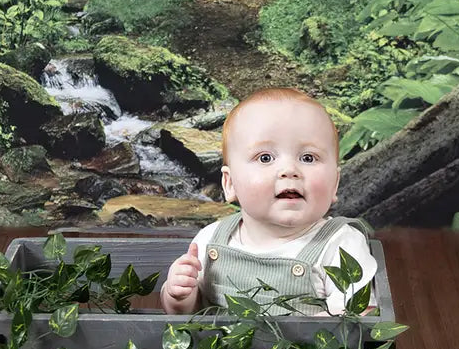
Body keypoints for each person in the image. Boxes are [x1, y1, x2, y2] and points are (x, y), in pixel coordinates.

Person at [161, 87, 377, 316]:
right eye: (265, 158)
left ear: (334, 183)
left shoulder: (341, 245)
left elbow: (356, 314)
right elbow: (185, 315)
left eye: (308, 158)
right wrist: (179, 295)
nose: (289, 170)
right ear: (230, 183)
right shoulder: (210, 240)